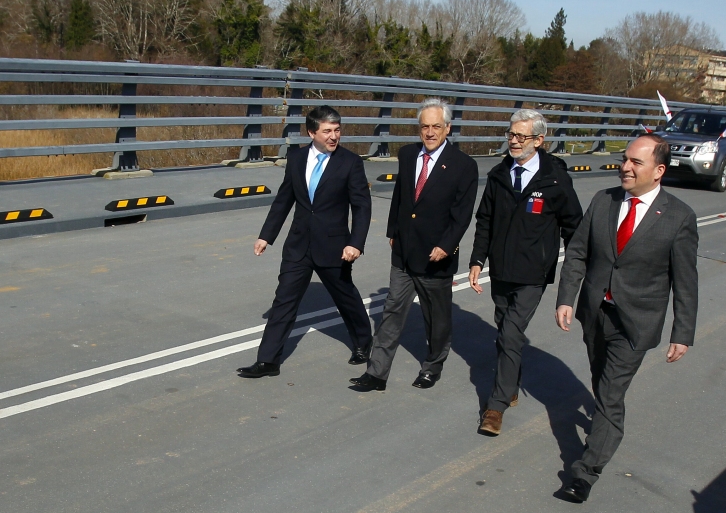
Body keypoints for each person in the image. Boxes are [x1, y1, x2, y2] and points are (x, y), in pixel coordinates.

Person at [554, 134, 699, 502]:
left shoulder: (679, 217)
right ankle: (606, 425)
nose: (625, 167)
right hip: (595, 313)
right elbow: (578, 253)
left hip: (636, 321)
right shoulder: (604, 201)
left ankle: (584, 473)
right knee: (601, 380)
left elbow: (685, 282)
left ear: (659, 170)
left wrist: (682, 332)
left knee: (610, 393)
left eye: (636, 162)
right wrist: (567, 297)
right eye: (625, 159)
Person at [350, 98, 479, 391]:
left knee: (436, 318)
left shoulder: (463, 166)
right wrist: (393, 231)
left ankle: (432, 366)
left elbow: (462, 214)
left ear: (448, 128)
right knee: (392, 311)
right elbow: (401, 196)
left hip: (436, 256)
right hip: (405, 252)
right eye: (424, 127)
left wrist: (447, 245)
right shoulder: (408, 155)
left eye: (436, 126)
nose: (430, 132)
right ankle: (376, 374)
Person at [468, 109, 583, 435]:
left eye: (521, 137)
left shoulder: (555, 179)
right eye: (511, 135)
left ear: (539, 140)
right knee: (506, 330)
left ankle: (496, 406)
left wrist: (579, 270)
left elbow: (574, 226)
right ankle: (511, 382)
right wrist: (478, 260)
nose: (514, 142)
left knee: (510, 334)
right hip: (501, 269)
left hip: (534, 273)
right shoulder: (499, 175)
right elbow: (485, 220)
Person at [238, 105, 373, 378]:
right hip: (298, 245)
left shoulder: (350, 162)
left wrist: (356, 243)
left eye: (337, 131)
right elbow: (284, 199)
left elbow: (362, 206)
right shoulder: (297, 159)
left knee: (345, 297)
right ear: (312, 132)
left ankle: (363, 342)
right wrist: (267, 235)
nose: (334, 137)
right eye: (327, 131)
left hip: (335, 246)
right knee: (284, 301)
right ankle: (268, 361)